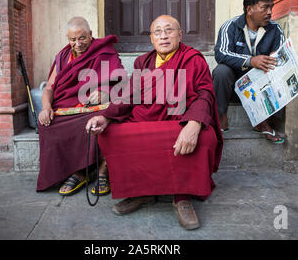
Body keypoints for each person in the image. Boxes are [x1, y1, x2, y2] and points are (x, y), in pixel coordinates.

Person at [85, 15, 223, 230]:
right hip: (148, 117)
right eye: (157, 32)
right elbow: (129, 95)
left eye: (169, 30)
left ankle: (182, 197)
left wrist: (194, 123)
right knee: (111, 133)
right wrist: (106, 115)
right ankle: (143, 192)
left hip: (180, 119)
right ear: (151, 38)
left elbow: (205, 93)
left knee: (206, 136)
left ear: (180, 34)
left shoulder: (194, 59)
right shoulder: (143, 62)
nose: (164, 36)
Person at [37, 17, 124, 196]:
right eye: (72, 40)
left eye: (82, 38)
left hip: (95, 106)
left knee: (106, 116)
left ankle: (100, 170)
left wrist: (104, 92)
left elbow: (121, 84)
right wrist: (46, 107)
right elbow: (49, 88)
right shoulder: (63, 57)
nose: (77, 44)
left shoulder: (104, 52)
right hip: (67, 105)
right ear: (67, 39)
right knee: (47, 123)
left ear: (91, 35)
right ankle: (79, 170)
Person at [213, 0, 285, 143]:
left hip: (260, 85)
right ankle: (221, 115)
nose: (269, 12)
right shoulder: (230, 26)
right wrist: (250, 61)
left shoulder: (275, 29)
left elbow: (280, 54)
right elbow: (221, 53)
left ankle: (263, 120)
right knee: (221, 71)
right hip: (233, 87)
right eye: (264, 7)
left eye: (271, 7)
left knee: (274, 69)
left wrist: (273, 59)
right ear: (250, 9)